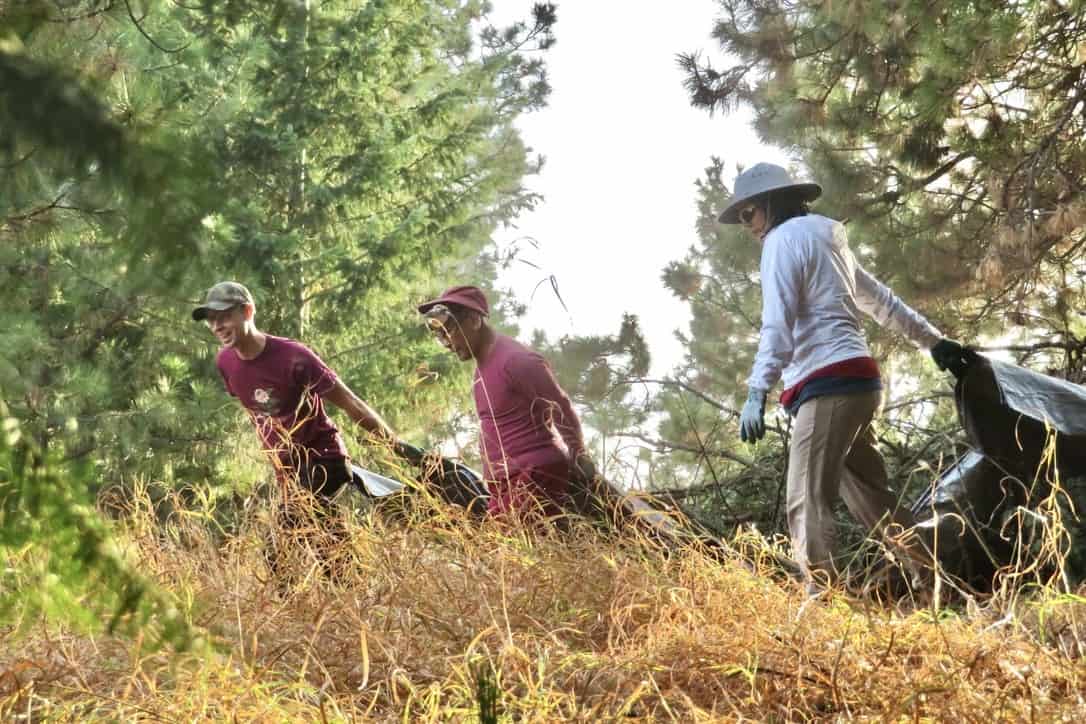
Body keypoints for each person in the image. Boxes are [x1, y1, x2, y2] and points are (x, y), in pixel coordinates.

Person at [719, 162, 971, 594]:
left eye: (748, 214)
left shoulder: (780, 242)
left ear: (771, 205)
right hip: (860, 382)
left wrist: (757, 391)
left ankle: (820, 603)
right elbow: (881, 301)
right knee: (872, 500)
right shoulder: (829, 240)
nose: (747, 226)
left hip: (826, 385)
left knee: (804, 497)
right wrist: (933, 342)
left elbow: (777, 325)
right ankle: (938, 582)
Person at [193, 281, 406, 577]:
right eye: (211, 320)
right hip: (289, 471)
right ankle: (359, 596)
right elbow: (257, 411)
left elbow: (350, 402)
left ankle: (336, 597)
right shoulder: (226, 362)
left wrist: (396, 445)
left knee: (278, 549)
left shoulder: (293, 356)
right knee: (326, 548)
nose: (217, 325)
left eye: (224, 316)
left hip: (323, 458)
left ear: (248, 311)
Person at [417, 285, 595, 520]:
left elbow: (559, 405)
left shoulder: (517, 360)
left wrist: (579, 453)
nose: (447, 342)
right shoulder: (482, 366)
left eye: (449, 329)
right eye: (440, 335)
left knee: (514, 553)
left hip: (533, 476)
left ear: (473, 320)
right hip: (505, 486)